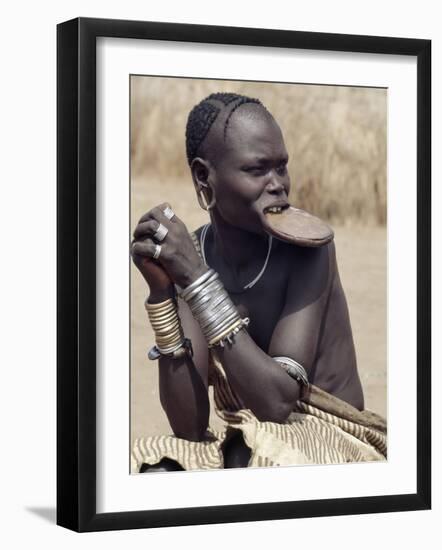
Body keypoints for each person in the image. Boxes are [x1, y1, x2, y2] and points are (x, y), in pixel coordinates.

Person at [130, 92, 386, 472]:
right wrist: (163, 292)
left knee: (246, 456)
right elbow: (188, 426)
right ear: (204, 176)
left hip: (339, 438)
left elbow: (277, 403)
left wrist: (198, 282)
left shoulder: (308, 251)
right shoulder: (193, 256)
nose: (278, 183)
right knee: (163, 469)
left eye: (282, 167)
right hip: (252, 436)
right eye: (257, 170)